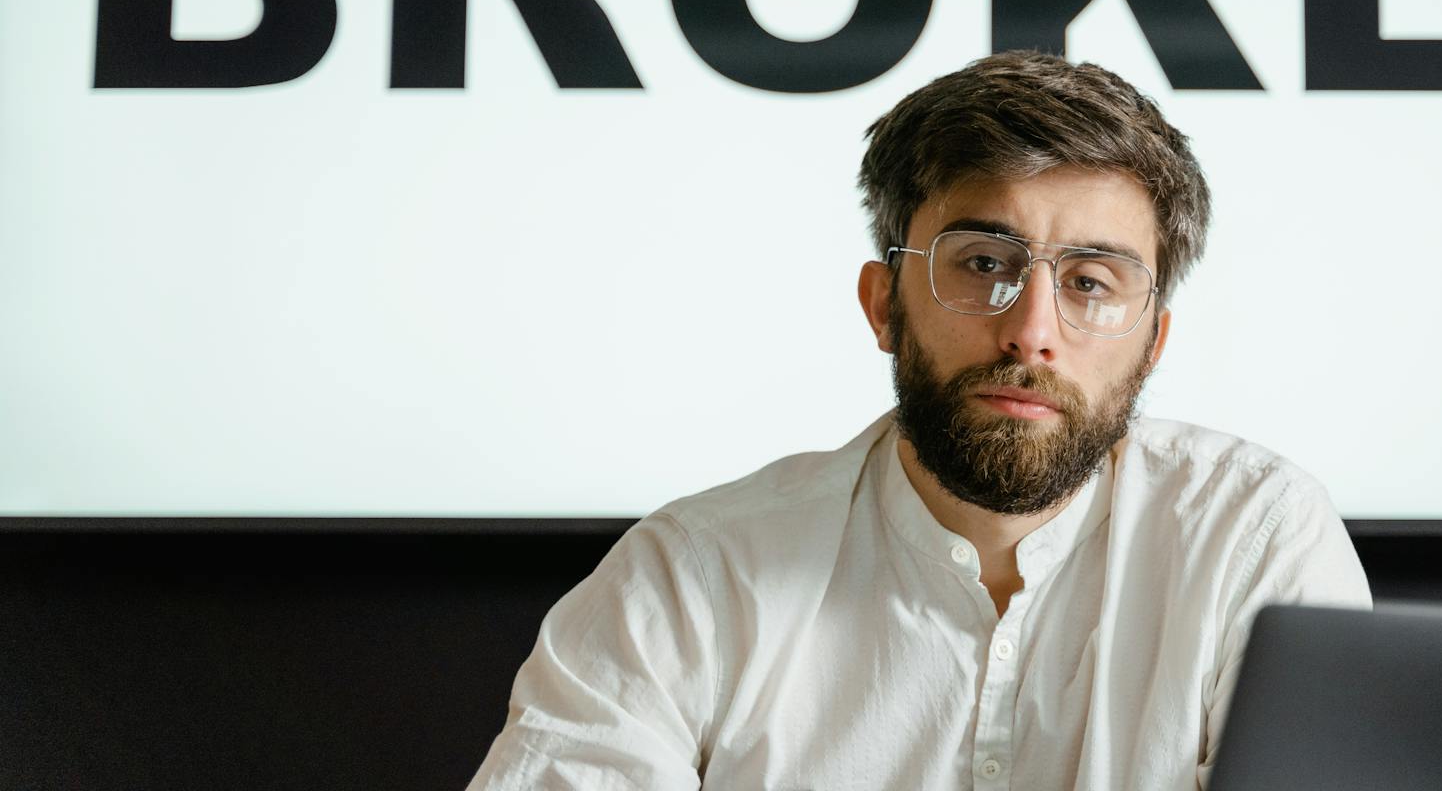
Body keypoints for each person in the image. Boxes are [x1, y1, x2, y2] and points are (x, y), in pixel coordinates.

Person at [466, 51, 1370, 790]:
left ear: (1153, 340)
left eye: (1091, 283)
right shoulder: (693, 580)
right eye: (982, 263)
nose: (1032, 332)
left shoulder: (1254, 538)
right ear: (884, 304)